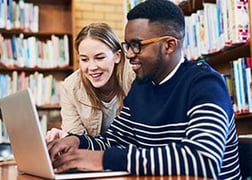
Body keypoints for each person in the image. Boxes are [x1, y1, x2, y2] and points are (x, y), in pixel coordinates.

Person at [48, 0, 241, 179]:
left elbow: (203, 159)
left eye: (136, 46)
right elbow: (113, 140)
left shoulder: (206, 84)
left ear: (169, 45)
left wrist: (103, 159)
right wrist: (76, 142)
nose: (129, 55)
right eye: (127, 46)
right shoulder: (141, 87)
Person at [46, 22, 135, 141]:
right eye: (84, 59)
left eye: (99, 58)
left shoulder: (135, 76)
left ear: (117, 56)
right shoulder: (70, 87)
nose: (92, 67)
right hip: (92, 156)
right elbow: (76, 142)